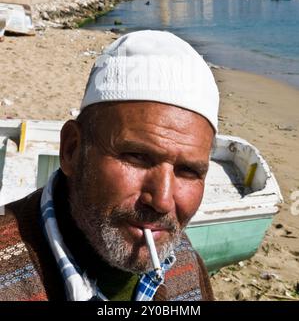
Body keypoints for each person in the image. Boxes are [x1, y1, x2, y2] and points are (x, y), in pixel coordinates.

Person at [0, 30, 219, 301]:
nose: (161, 202)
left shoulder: (184, 264)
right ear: (72, 151)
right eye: (136, 157)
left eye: (188, 171)